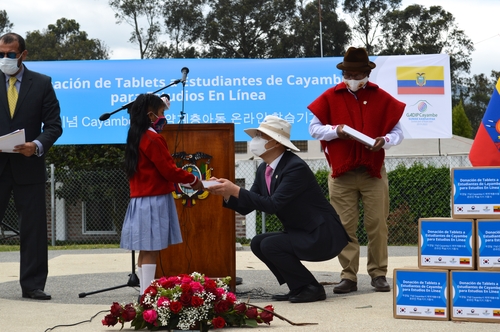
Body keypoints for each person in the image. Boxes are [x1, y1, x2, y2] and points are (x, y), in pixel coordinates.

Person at [207, 115, 350, 303]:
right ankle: (299, 287)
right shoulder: (263, 169)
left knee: (269, 245)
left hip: (321, 235)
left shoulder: (295, 167)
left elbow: (273, 205)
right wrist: (226, 193)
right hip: (302, 232)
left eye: (259, 136)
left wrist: (235, 189)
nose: (254, 141)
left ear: (274, 142)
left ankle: (312, 288)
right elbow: (246, 207)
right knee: (258, 242)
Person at [307, 47, 406, 294]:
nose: (351, 77)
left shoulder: (382, 98)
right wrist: (336, 130)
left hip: (373, 170)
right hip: (341, 173)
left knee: (377, 224)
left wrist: (385, 140)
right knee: (344, 226)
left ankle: (378, 274)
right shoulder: (330, 96)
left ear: (366, 73)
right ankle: (348, 276)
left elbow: (398, 133)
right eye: (347, 73)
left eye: (356, 73)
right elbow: (314, 129)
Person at [120, 93, 204, 296]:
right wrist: (195, 181)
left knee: (144, 249)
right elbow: (169, 170)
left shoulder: (136, 135)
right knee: (151, 250)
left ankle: (144, 292)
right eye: (161, 113)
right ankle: (147, 296)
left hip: (140, 199)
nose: (164, 117)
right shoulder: (153, 138)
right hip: (153, 199)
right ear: (150, 115)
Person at [0, 33, 63, 300]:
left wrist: (36, 145)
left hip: (29, 165)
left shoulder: (42, 83)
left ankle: (33, 285)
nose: (5, 59)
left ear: (24, 54)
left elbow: (54, 126)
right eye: (1, 54)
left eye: (10, 54)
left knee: (34, 229)